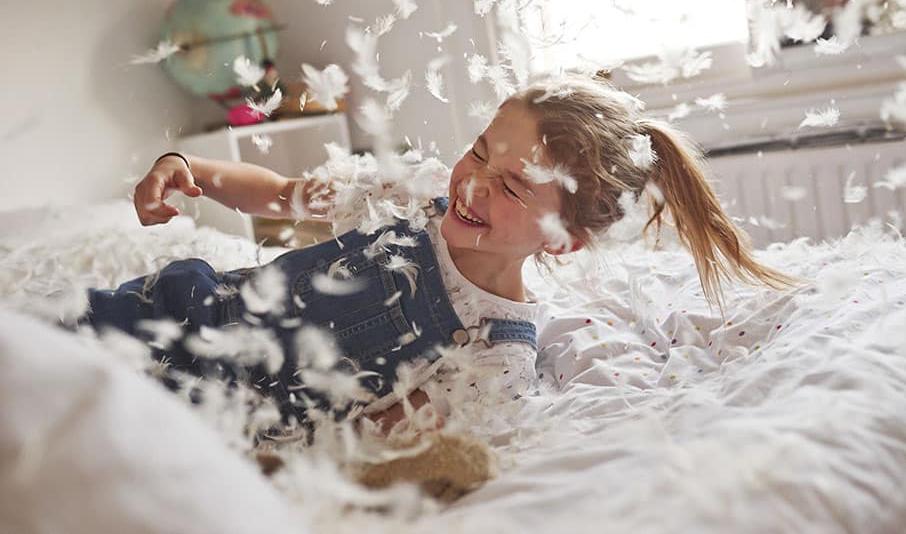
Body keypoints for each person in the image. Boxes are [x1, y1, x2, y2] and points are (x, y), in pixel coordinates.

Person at [81, 74, 801, 434]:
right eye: (480, 151)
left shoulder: (496, 351)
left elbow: (370, 435)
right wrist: (186, 168)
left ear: (563, 239)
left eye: (512, 184)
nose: (473, 182)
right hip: (164, 316)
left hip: (215, 418)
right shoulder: (413, 194)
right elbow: (281, 193)